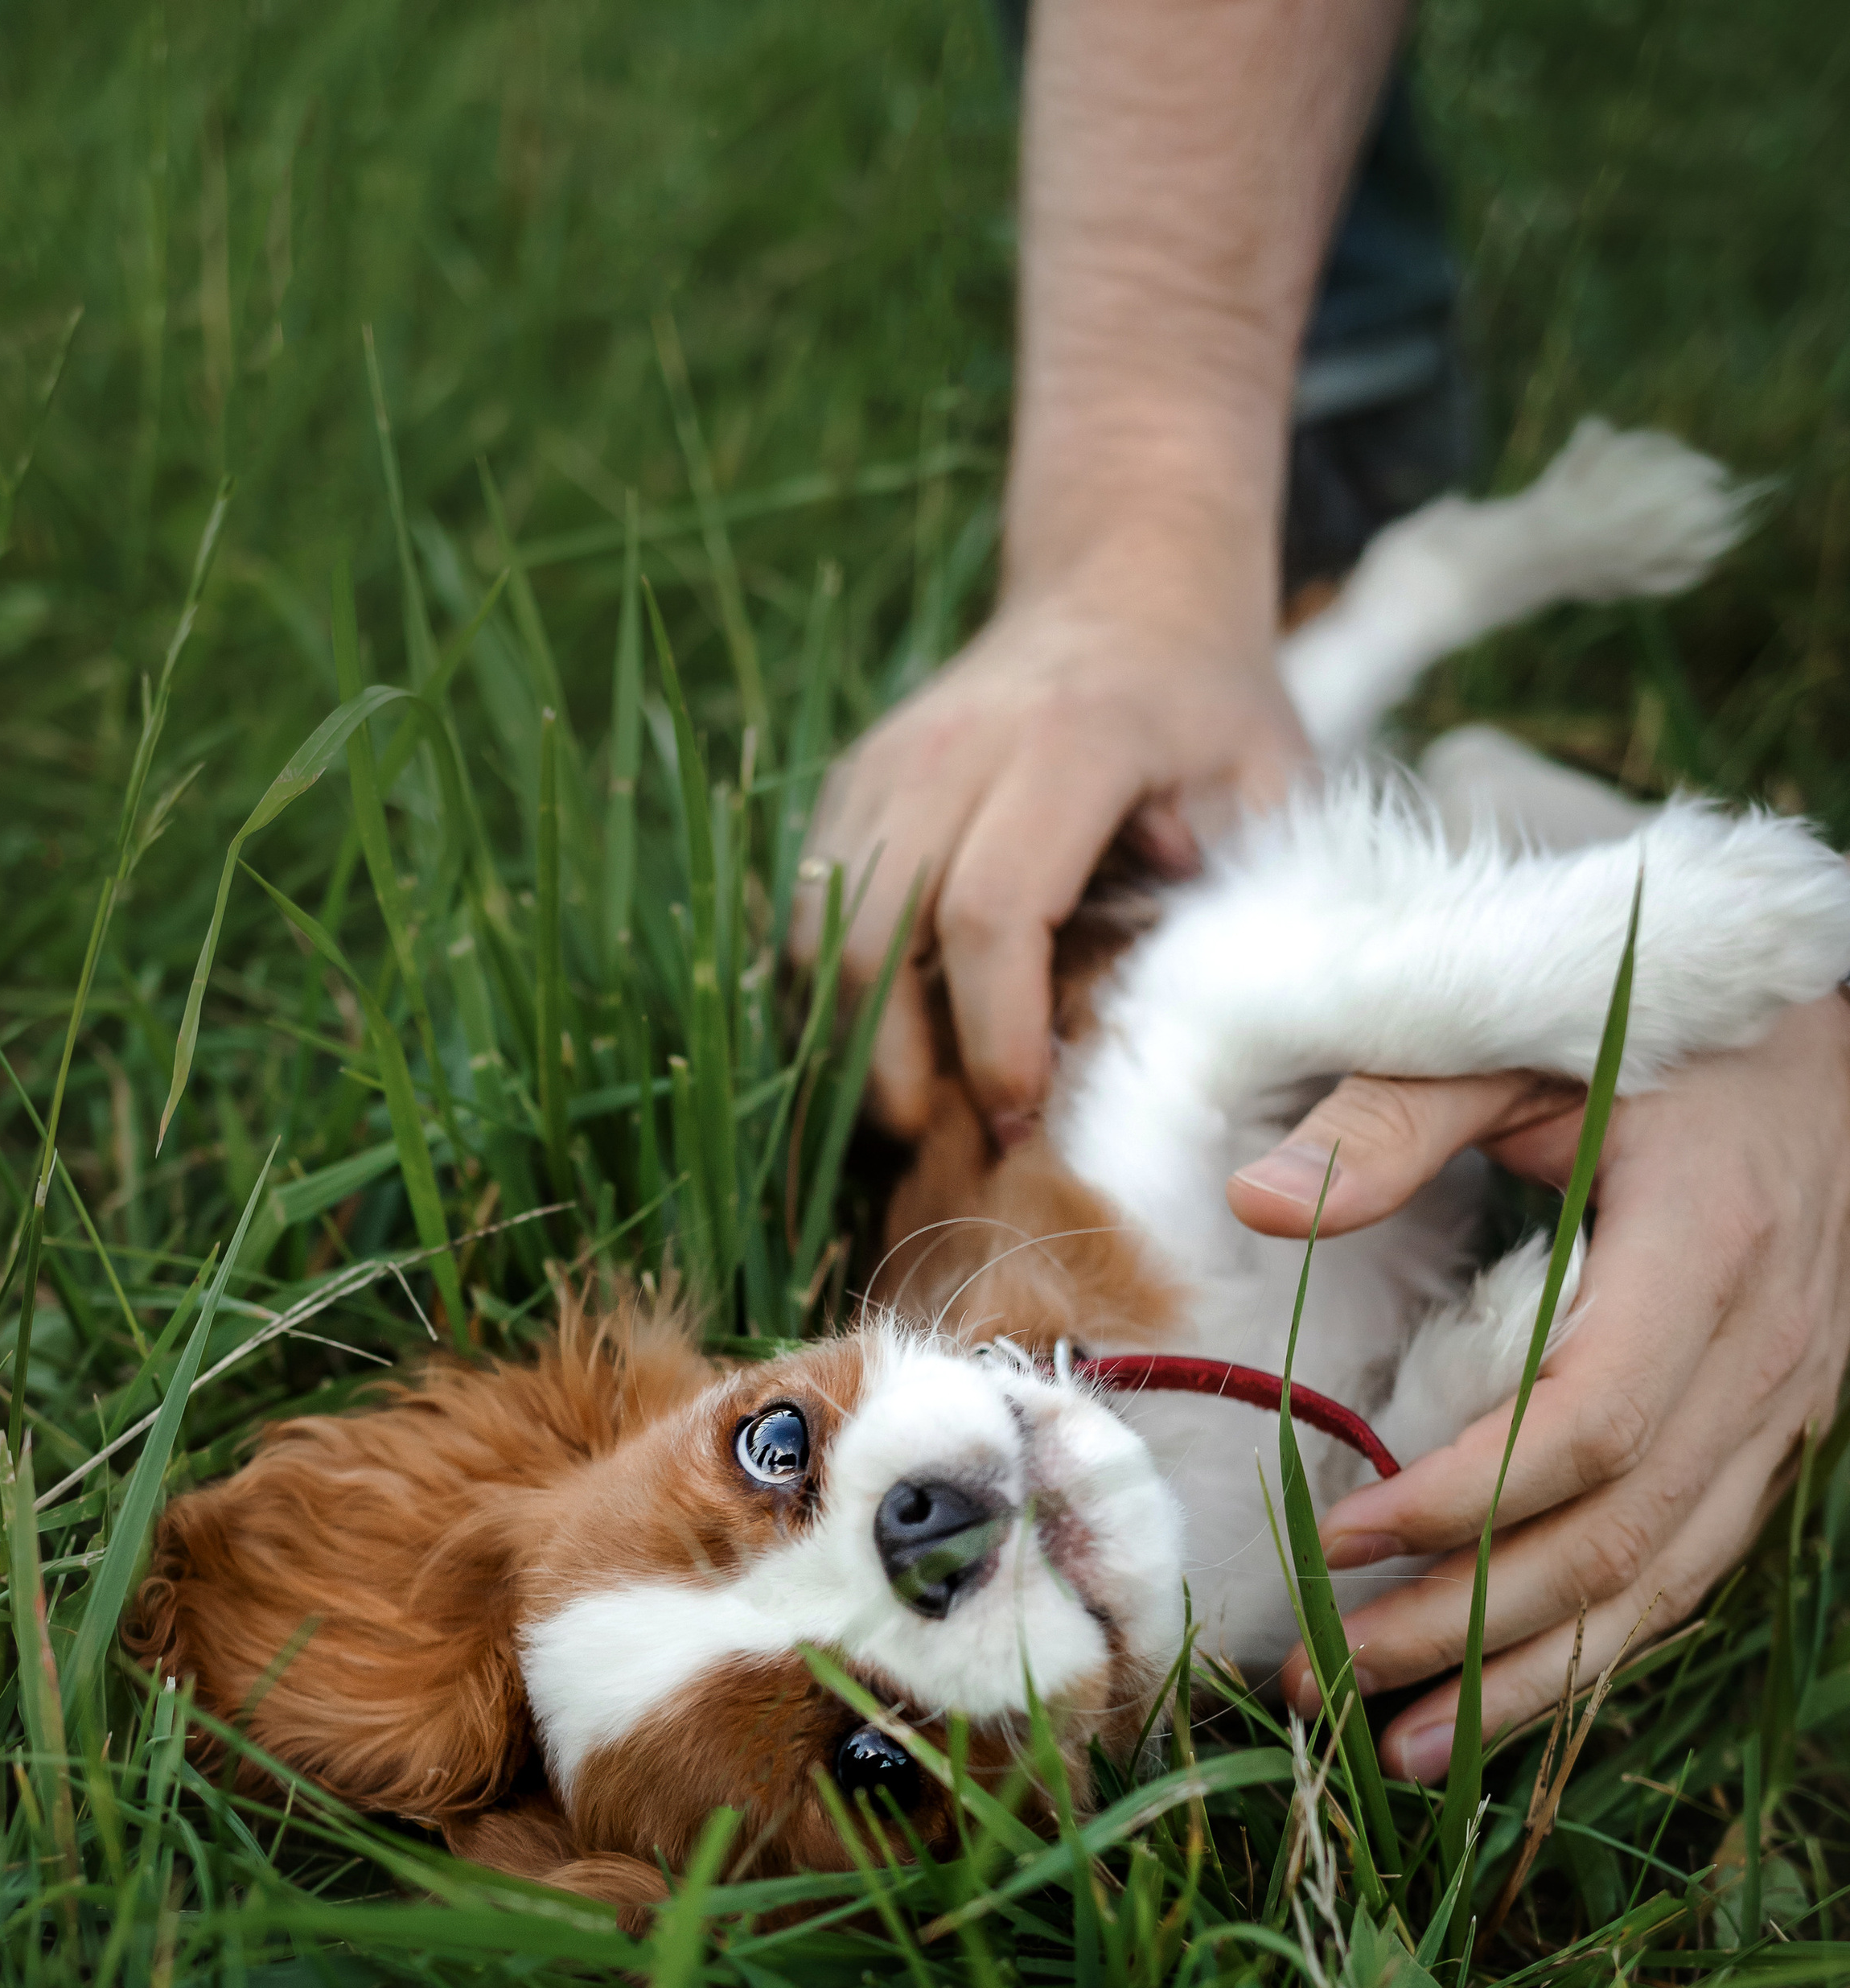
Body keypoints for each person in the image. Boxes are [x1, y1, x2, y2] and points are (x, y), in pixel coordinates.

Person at [790, 0, 1850, 1785]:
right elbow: (1419, 1437)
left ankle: (1397, 538)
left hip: (1245, 910)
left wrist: (1564, 975)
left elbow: (1214, 1004)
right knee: (1434, 796)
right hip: (1405, 969)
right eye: (875, 1765)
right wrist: (1479, 1391)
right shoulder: (1238, 1635)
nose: (916, 1561)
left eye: (772, 1469)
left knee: (1283, 733)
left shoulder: (1048, 1289)